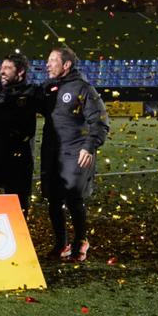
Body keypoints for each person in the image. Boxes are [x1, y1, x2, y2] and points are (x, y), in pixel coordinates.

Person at [40, 47, 109, 261]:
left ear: (66, 64)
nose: (48, 64)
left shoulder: (83, 88)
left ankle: (81, 241)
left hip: (76, 152)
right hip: (52, 153)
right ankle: (62, 244)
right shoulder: (47, 88)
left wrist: (89, 146)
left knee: (73, 198)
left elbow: (100, 121)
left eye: (53, 60)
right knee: (53, 199)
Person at [0, 54, 41, 212]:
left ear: (20, 72)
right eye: (2, 67)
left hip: (17, 157)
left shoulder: (32, 93)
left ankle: (19, 234)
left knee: (18, 200)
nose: (2, 71)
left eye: (7, 68)